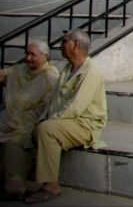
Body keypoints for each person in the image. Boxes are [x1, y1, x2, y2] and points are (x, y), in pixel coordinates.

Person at [22, 30, 106, 204]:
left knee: (46, 130)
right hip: (65, 122)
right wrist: (43, 118)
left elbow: (75, 107)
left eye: (64, 41)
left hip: (85, 125)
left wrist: (50, 122)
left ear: (75, 44)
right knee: (34, 130)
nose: (60, 45)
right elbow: (52, 99)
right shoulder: (67, 68)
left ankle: (51, 185)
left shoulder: (91, 72)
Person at [0, 41, 59, 200]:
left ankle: (15, 184)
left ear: (45, 57)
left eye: (33, 54)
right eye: (27, 53)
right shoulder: (20, 70)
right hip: (10, 117)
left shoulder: (51, 77)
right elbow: (3, 74)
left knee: (16, 141)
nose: (28, 58)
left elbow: (51, 107)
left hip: (31, 121)